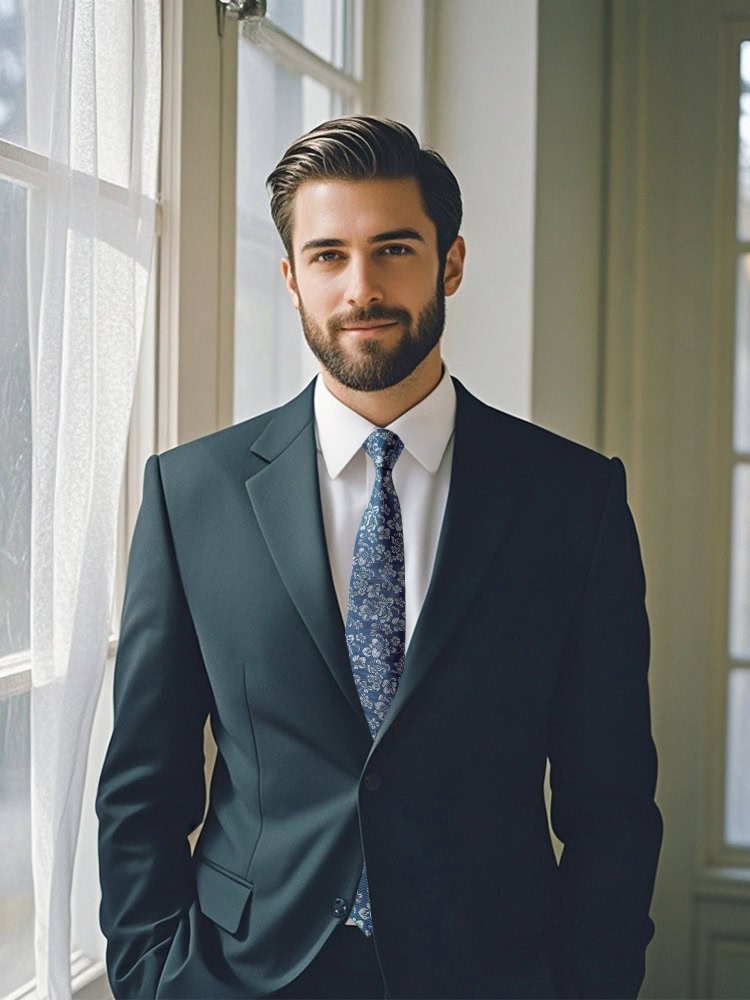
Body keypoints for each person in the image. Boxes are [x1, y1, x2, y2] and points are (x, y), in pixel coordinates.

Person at [96, 115, 662, 1000]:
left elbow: (613, 802)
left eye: (394, 248)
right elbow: (142, 785)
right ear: (290, 279)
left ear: (452, 263)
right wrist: (148, 977)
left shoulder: (573, 501)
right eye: (327, 255)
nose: (361, 287)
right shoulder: (189, 494)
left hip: (494, 972)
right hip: (239, 974)